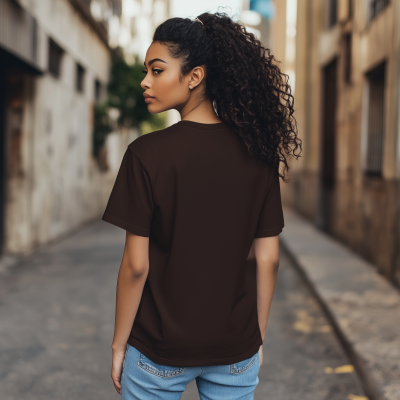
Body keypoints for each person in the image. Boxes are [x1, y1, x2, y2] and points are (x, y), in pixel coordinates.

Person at [101, 10, 301, 400]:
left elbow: (136, 266)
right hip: (235, 348)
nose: (145, 81)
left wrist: (118, 344)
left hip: (158, 349)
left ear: (194, 76)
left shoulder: (146, 155)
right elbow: (268, 258)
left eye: (157, 70)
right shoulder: (259, 155)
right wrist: (255, 338)